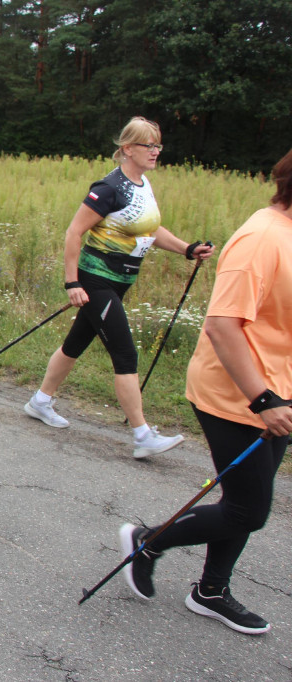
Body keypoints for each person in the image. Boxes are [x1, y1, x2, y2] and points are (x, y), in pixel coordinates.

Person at [119, 148, 292, 635]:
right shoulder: (262, 238)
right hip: (237, 394)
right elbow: (222, 326)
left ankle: (211, 591)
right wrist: (264, 399)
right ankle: (147, 542)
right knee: (248, 509)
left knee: (244, 499)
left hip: (278, 389)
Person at [23, 116, 214, 458]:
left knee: (75, 344)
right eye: (148, 145)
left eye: (158, 145)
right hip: (97, 281)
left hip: (120, 282)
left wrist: (187, 249)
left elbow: (150, 230)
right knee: (125, 354)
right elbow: (73, 233)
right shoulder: (109, 188)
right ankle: (142, 436)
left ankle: (40, 401)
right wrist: (72, 283)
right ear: (127, 149)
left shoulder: (141, 184)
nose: (156, 151)